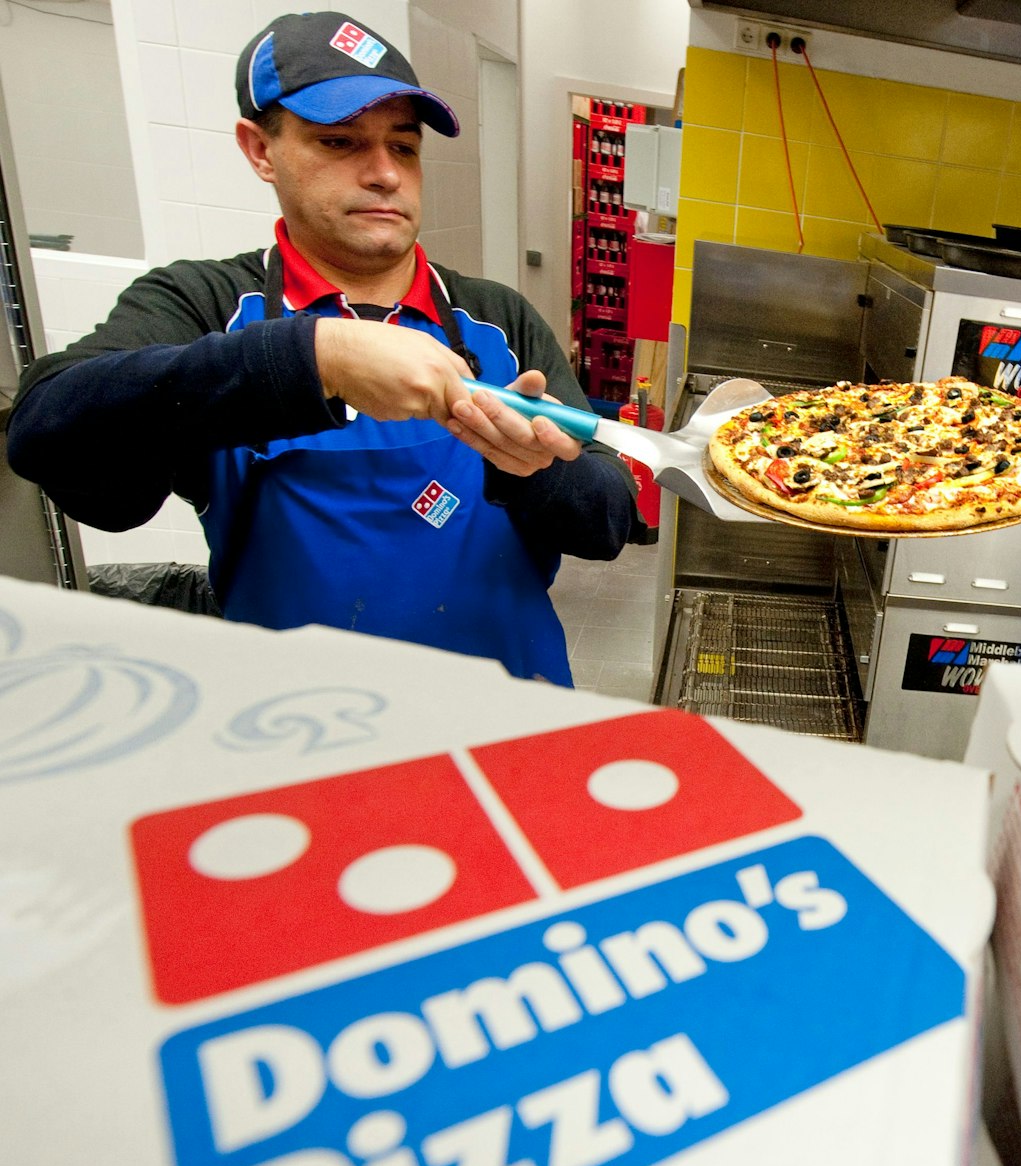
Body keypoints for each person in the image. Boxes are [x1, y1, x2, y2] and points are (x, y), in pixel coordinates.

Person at [8, 11, 644, 687]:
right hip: (300, 731)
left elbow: (609, 519)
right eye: (340, 143)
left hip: (508, 717)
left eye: (403, 148)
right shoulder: (209, 305)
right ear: (259, 149)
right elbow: (47, 426)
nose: (384, 175)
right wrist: (315, 357)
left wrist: (534, 470)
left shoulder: (493, 320)